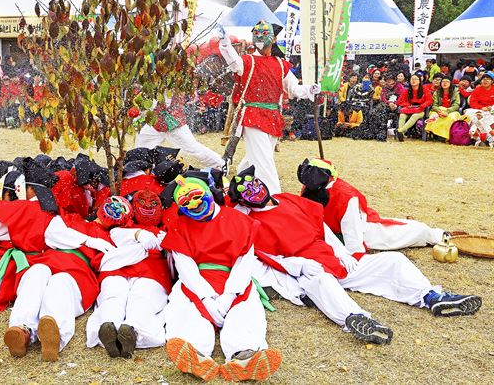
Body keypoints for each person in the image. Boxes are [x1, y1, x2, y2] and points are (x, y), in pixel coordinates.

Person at [229, 167, 482, 345]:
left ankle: (431, 297)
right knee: (320, 282)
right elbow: (271, 258)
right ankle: (357, 319)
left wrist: (342, 253)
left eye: (255, 185)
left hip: (334, 258)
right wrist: (303, 265)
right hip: (307, 270)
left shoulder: (289, 200)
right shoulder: (251, 223)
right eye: (248, 193)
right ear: (244, 201)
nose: (255, 191)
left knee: (393, 260)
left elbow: (323, 229)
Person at [161, 172, 282, 382]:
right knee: (186, 311)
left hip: (234, 280)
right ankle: (196, 353)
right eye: (186, 202)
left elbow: (244, 262)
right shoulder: (180, 226)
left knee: (244, 311)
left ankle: (244, 356)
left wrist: (229, 295)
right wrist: (207, 298)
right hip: (196, 281)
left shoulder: (238, 220)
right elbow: (186, 267)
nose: (194, 204)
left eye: (197, 196)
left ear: (208, 193)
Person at [217, 20, 319, 194]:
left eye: (264, 34)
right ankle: (274, 199)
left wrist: (310, 89)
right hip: (253, 115)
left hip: (273, 117)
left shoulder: (280, 64)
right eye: (256, 34)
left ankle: (236, 188)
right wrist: (225, 42)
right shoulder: (247, 61)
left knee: (253, 160)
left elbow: (293, 88)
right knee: (263, 161)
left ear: (273, 39)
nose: (259, 38)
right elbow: (234, 62)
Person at [86, 192, 171, 359]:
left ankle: (126, 329)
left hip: (145, 269)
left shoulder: (164, 230)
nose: (147, 206)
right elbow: (117, 235)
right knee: (117, 295)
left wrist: (167, 241)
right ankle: (116, 327)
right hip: (127, 266)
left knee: (136, 296)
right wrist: (138, 234)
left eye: (153, 203)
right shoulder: (123, 228)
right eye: (143, 202)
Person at [298, 159, 448, 252]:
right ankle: (432, 233)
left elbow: (352, 230)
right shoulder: (337, 194)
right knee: (408, 230)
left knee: (413, 230)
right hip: (347, 234)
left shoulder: (342, 195)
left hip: (357, 229)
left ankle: (439, 236)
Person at [133, 90, 224, 169]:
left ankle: (220, 164)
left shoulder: (173, 81)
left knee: (193, 148)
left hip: (174, 125)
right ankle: (140, 167)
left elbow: (164, 103)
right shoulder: (155, 80)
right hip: (155, 124)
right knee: (142, 144)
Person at [395, 74, 432, 141]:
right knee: (402, 115)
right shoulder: (407, 90)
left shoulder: (425, 89)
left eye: (415, 79)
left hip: (420, 109)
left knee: (415, 116)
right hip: (410, 107)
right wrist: (407, 104)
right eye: (412, 79)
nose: (413, 81)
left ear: (419, 81)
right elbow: (400, 101)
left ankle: (400, 130)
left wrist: (422, 105)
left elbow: (429, 100)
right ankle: (401, 135)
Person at [425, 75, 461, 140]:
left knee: (451, 118)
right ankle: (436, 134)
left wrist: (447, 111)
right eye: (443, 81)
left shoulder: (455, 92)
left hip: (451, 111)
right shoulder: (437, 92)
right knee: (434, 116)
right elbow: (434, 105)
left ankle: (446, 136)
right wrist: (439, 111)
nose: (444, 83)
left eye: (447, 81)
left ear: (450, 83)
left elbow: (456, 105)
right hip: (439, 110)